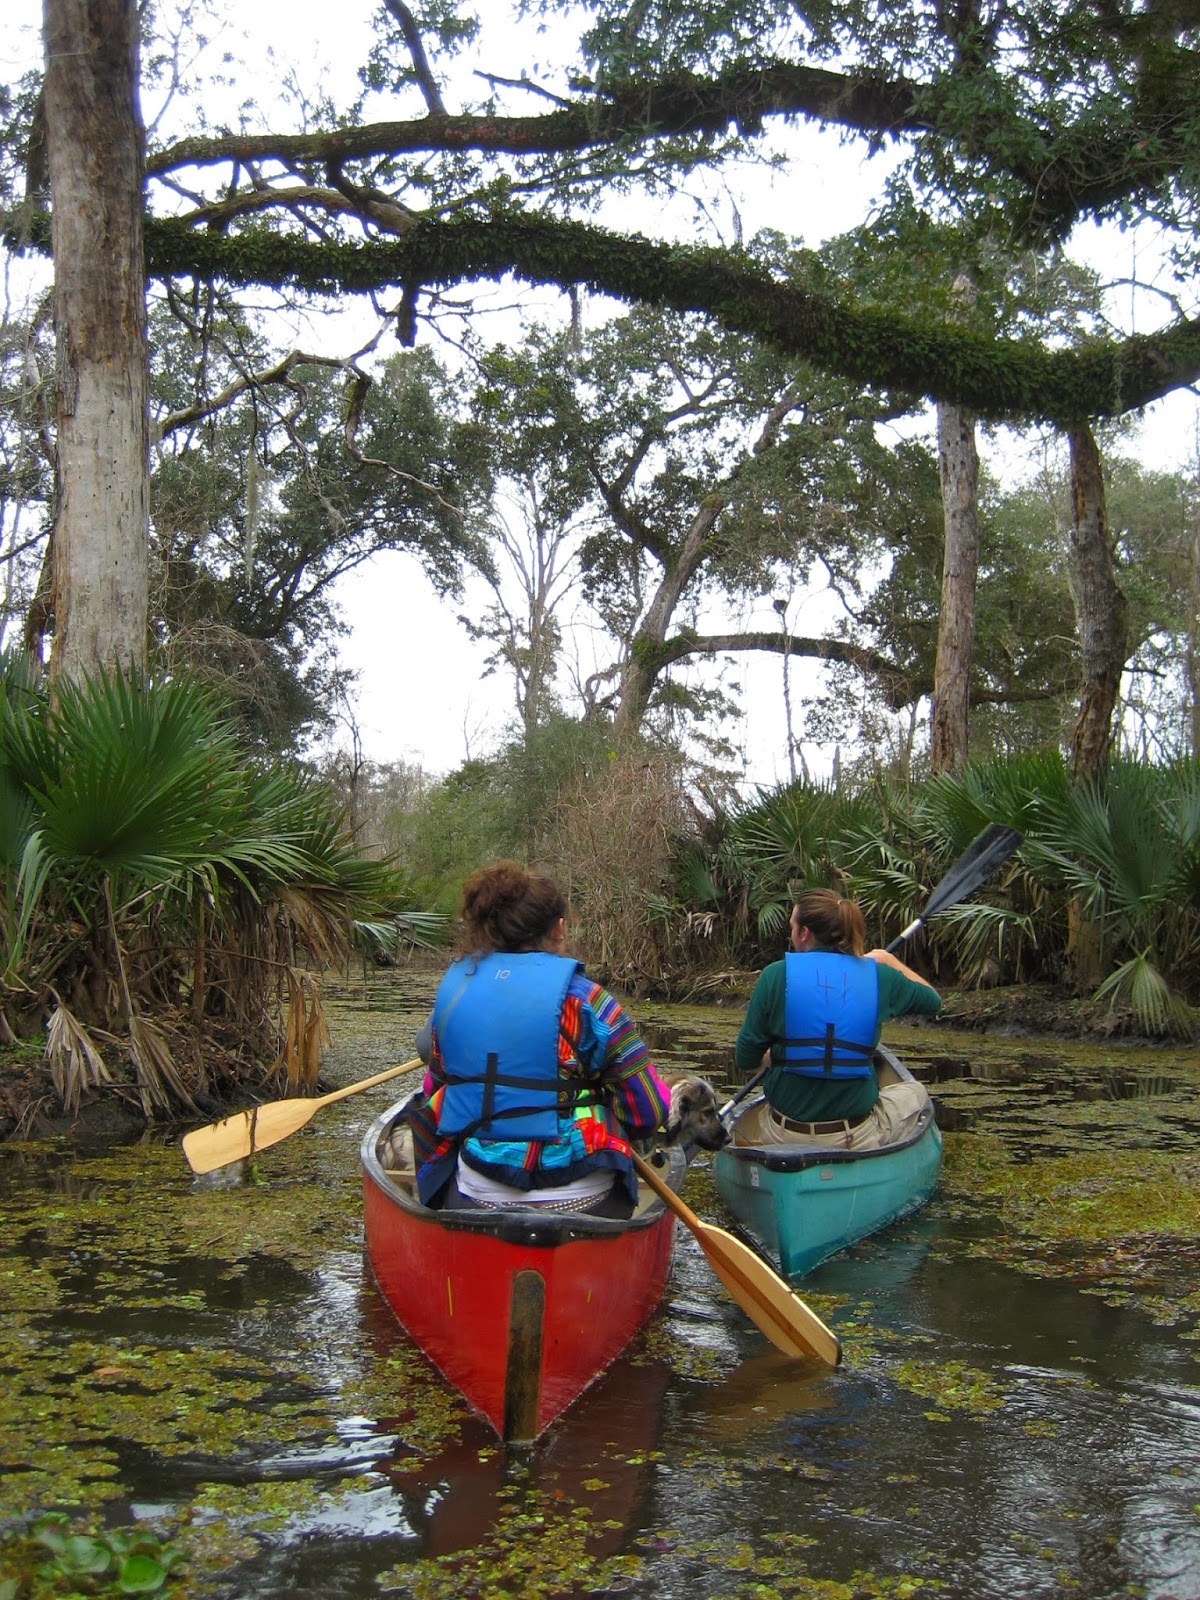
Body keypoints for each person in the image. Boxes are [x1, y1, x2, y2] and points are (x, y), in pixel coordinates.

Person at [410, 860, 670, 1218]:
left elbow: (434, 1087)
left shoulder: (456, 995)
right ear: (559, 929)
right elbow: (647, 1111)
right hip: (587, 1198)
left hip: (478, 1192)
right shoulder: (587, 1002)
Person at [733, 888, 940, 1151]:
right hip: (854, 1137)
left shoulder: (775, 975)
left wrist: (772, 1058)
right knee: (916, 1093)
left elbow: (745, 1059)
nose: (791, 933)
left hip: (784, 1137)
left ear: (804, 933)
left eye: (792, 927)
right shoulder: (879, 976)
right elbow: (933, 1001)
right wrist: (890, 961)